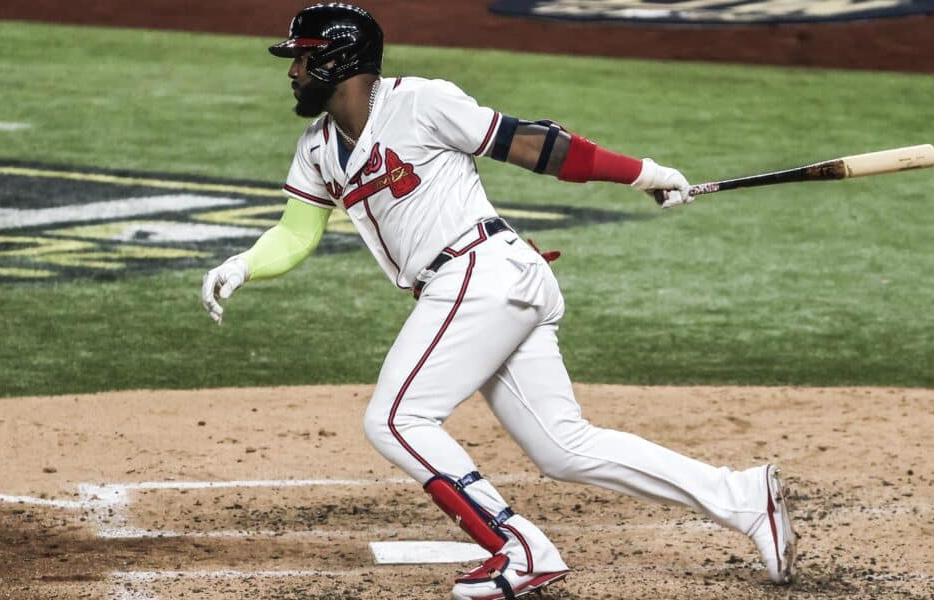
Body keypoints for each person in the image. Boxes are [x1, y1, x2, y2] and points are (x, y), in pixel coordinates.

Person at [201, 4, 796, 599]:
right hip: (483, 284)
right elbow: (296, 231)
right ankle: (741, 498)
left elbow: (538, 147)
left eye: (302, 59)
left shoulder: (421, 103)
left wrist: (643, 174)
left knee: (395, 419)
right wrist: (243, 264)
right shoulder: (318, 146)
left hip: (481, 272)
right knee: (563, 447)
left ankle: (521, 549)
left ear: (338, 61)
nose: (293, 71)